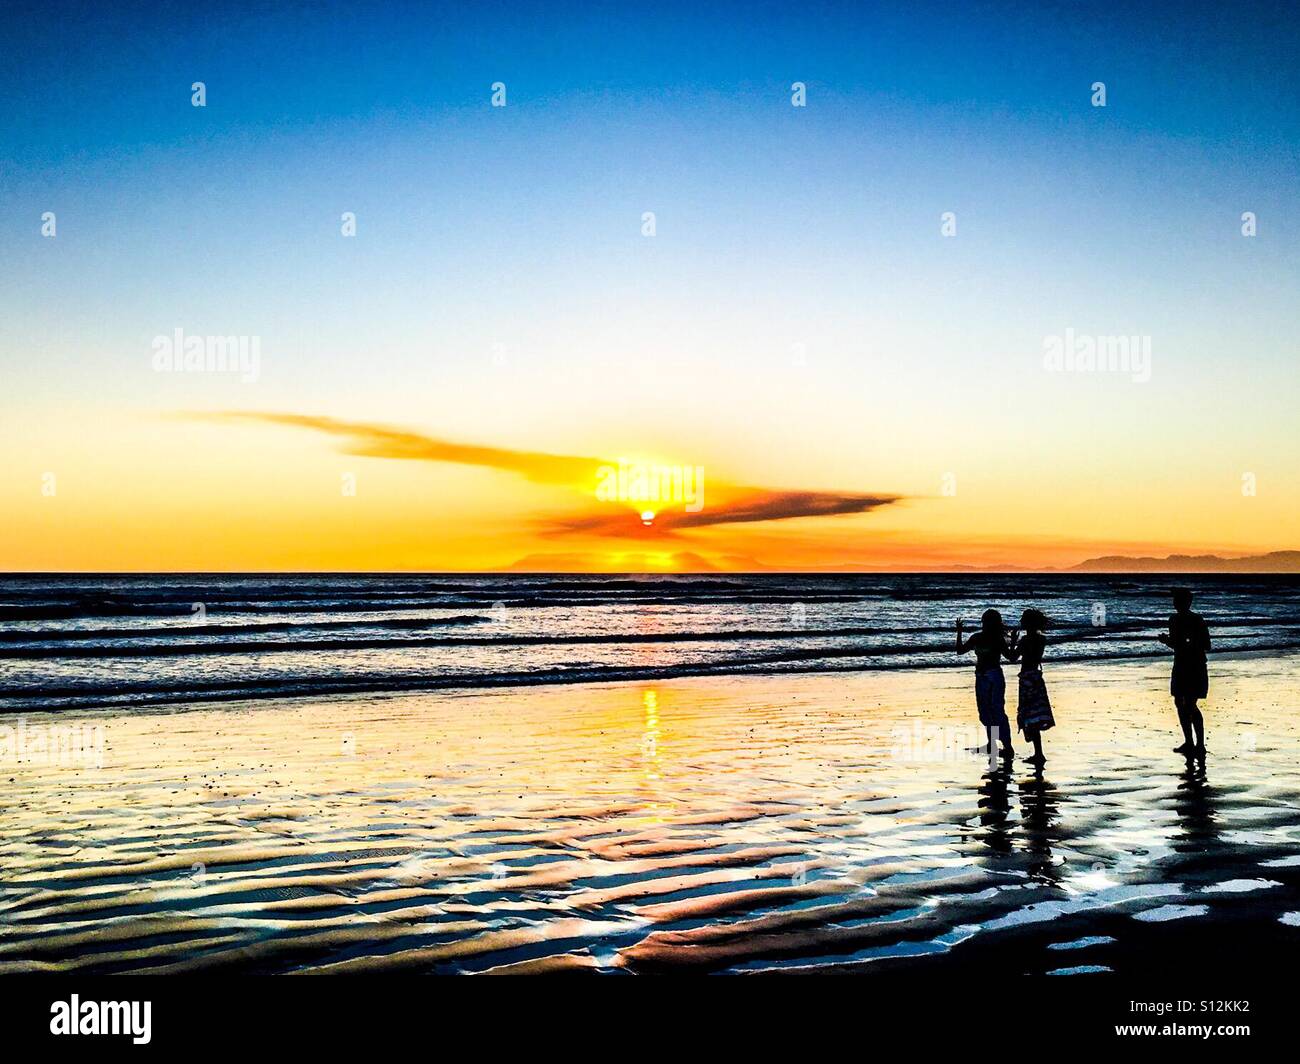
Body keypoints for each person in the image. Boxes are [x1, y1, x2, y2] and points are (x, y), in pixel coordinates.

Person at [956, 609, 1016, 761]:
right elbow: (960, 651)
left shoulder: (997, 639)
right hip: (981, 676)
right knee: (984, 711)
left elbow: (1010, 657)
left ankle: (1008, 747)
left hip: (994, 676)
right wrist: (959, 632)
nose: (986, 624)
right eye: (985, 621)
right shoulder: (976, 637)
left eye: (989, 621)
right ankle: (991, 744)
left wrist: (1014, 643)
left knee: (997, 710)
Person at [1158, 588, 1210, 754]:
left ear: (1185, 602)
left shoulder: (1192, 620)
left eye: (1177, 600)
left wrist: (1172, 642)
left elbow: (1205, 644)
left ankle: (1199, 744)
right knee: (1181, 702)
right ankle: (1191, 742)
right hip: (1183, 664)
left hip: (1192, 665)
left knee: (1189, 704)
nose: (1175, 603)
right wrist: (1169, 641)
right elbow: (1179, 643)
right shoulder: (1178, 619)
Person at [1007, 608, 1054, 765]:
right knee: (1036, 714)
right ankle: (1038, 753)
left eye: (1023, 620)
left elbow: (1013, 658)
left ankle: (1038, 754)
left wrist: (1013, 642)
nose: (1021, 622)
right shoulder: (1041, 640)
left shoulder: (1025, 641)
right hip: (1036, 678)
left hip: (1027, 678)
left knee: (1029, 714)